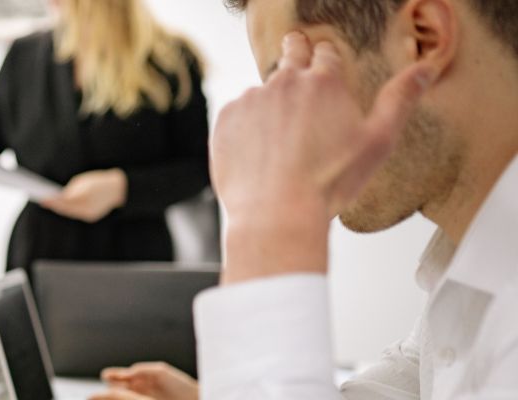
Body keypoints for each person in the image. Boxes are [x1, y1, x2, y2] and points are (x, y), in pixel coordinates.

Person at [90, 0, 518, 399]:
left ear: (423, 40)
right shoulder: (479, 253)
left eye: (297, 81)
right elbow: (420, 376)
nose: (286, 126)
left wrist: (266, 233)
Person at [0, 0, 211, 274]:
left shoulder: (171, 60)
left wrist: (120, 188)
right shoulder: (24, 57)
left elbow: (199, 170)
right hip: (42, 255)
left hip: (134, 260)